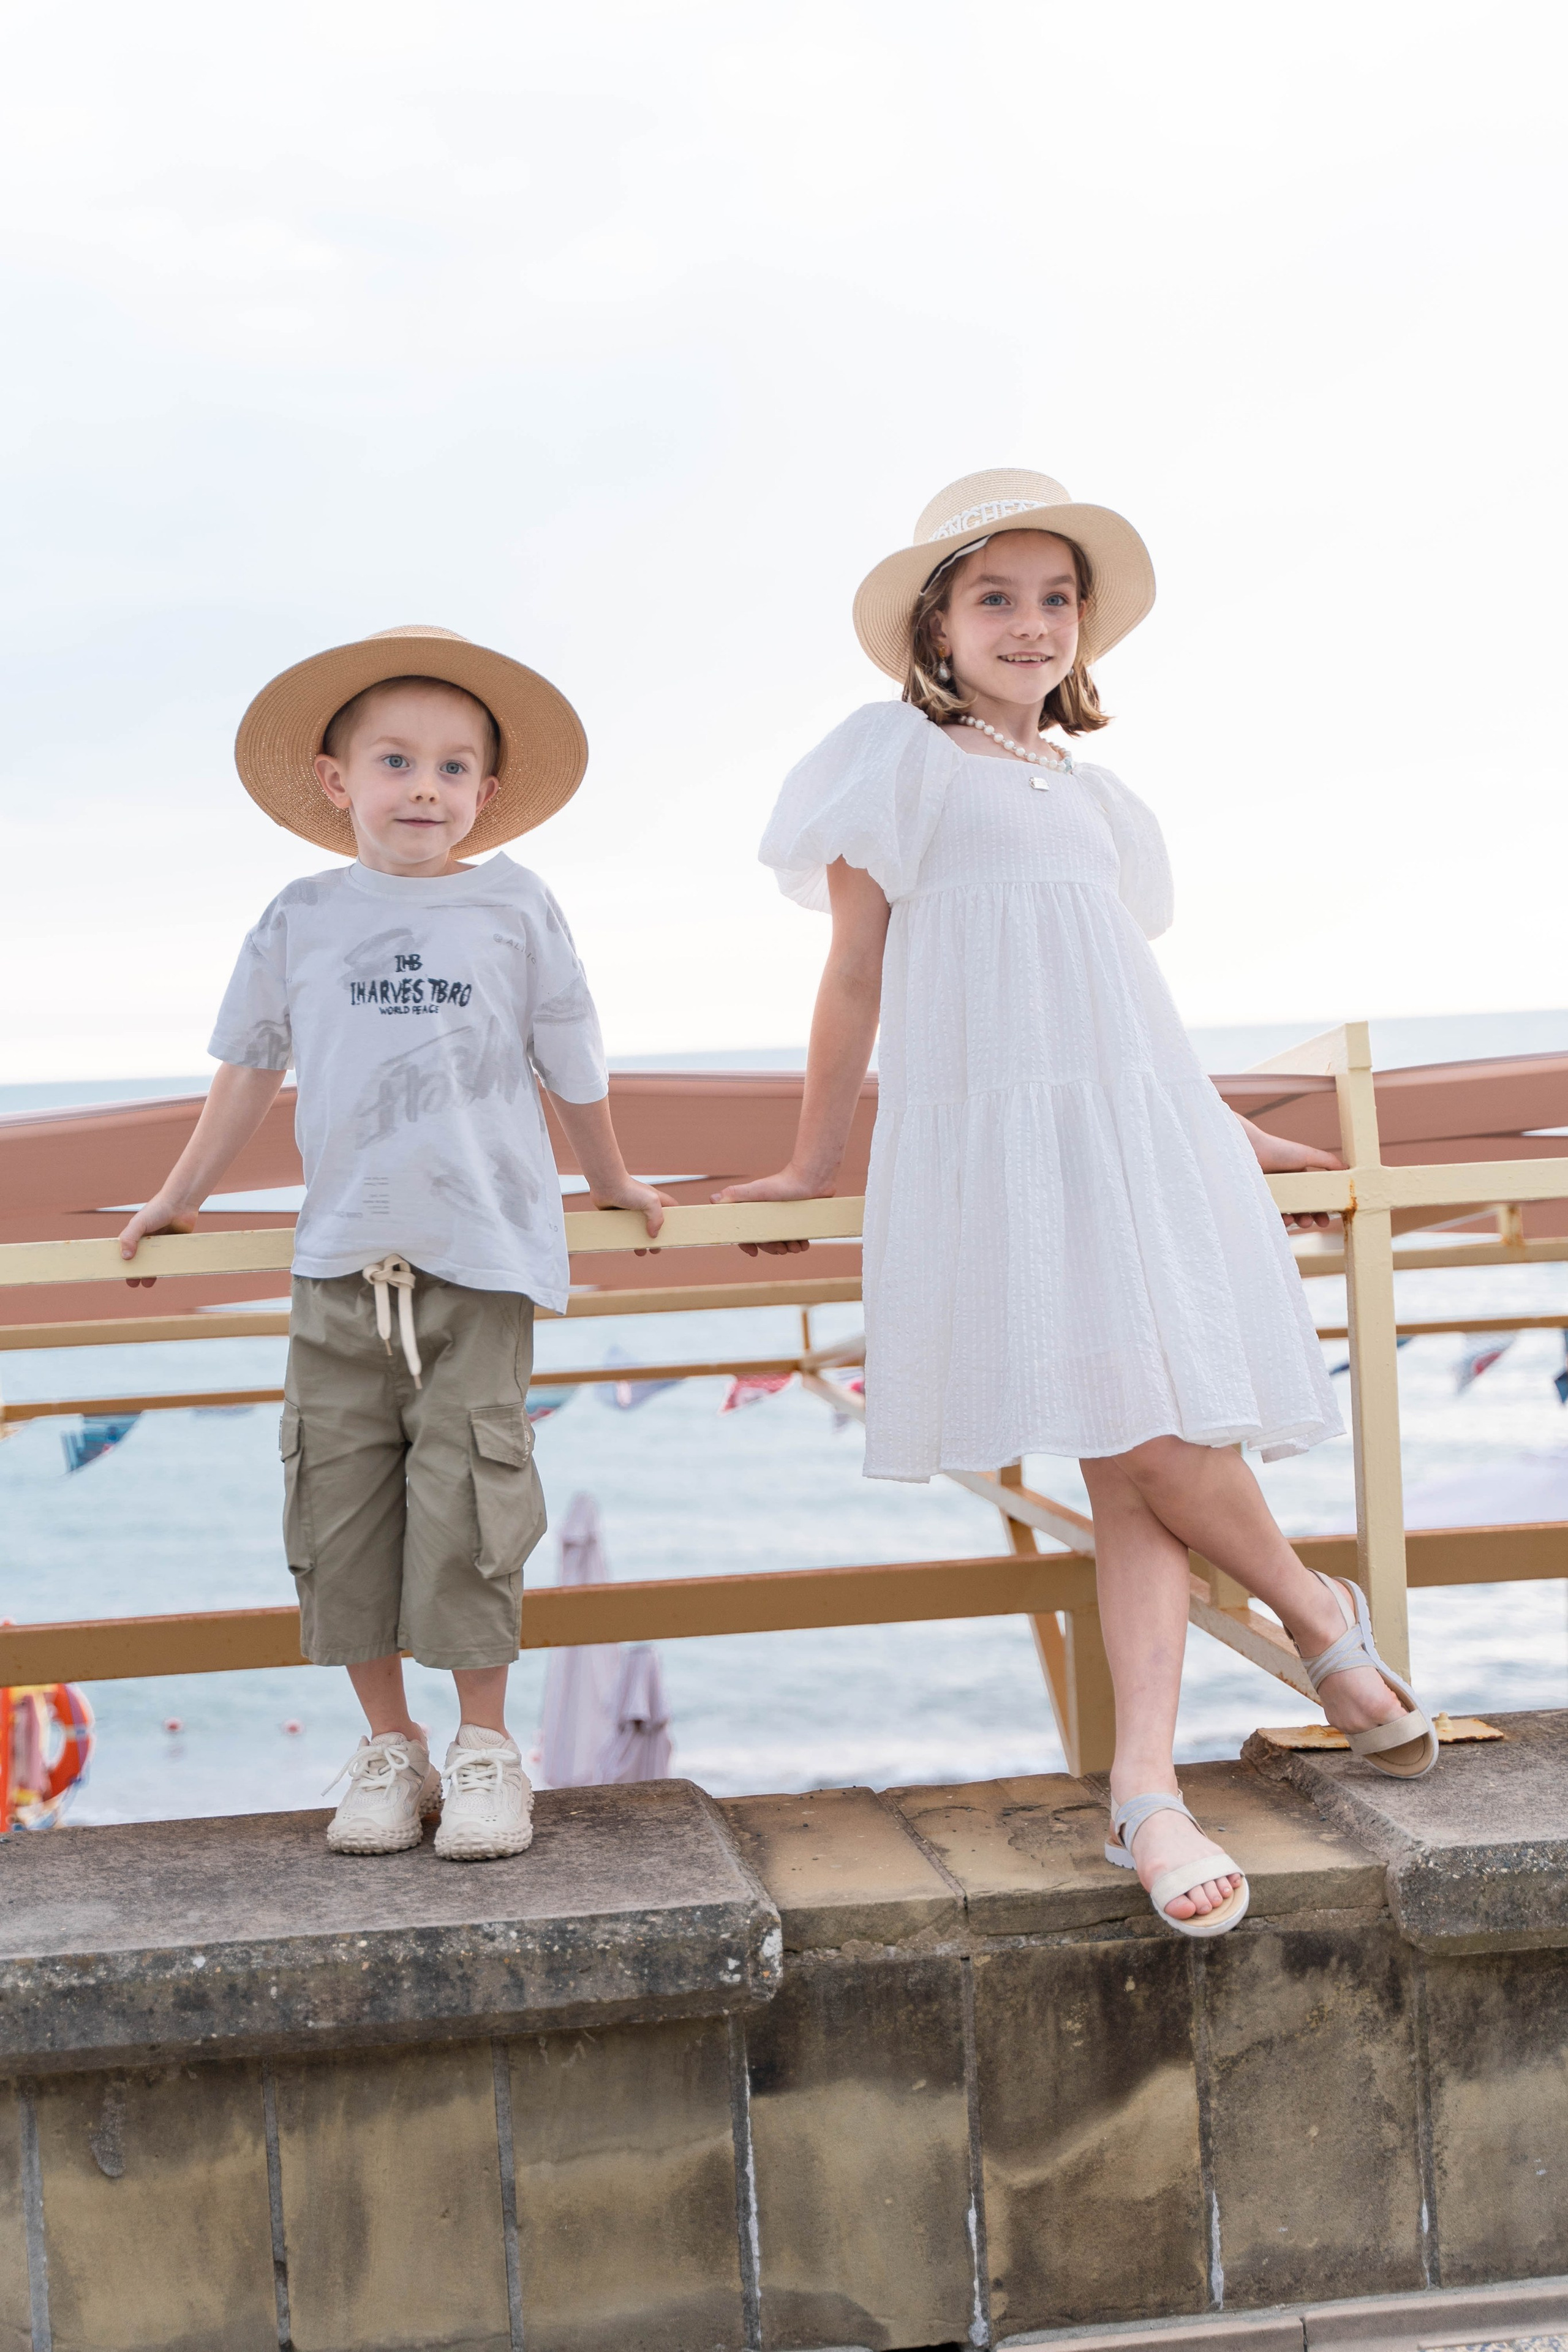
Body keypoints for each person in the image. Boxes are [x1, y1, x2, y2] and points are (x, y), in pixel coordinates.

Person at [719, 470, 1438, 1937]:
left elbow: (1119, 1007)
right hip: (997, 1152)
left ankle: (1142, 1794)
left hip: (1135, 1139)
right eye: (995, 596)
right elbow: (852, 972)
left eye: (1056, 600)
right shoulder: (893, 760)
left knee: (1138, 1462)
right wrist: (810, 1162)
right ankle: (1316, 1619)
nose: (1030, 624)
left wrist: (1226, 1130)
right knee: (1147, 1442)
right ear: (935, 621)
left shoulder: (1098, 798)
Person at [119, 625, 668, 1861]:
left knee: (473, 1503)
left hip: (482, 1264)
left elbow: (572, 1062)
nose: (425, 789)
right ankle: (390, 1747)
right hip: (338, 1268)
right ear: (336, 780)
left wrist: (617, 1179)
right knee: (340, 1502)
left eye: (453, 768)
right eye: (397, 762)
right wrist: (177, 1198)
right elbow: (245, 1072)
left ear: (482, 788)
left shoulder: (515, 901)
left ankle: (484, 1750)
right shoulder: (300, 915)